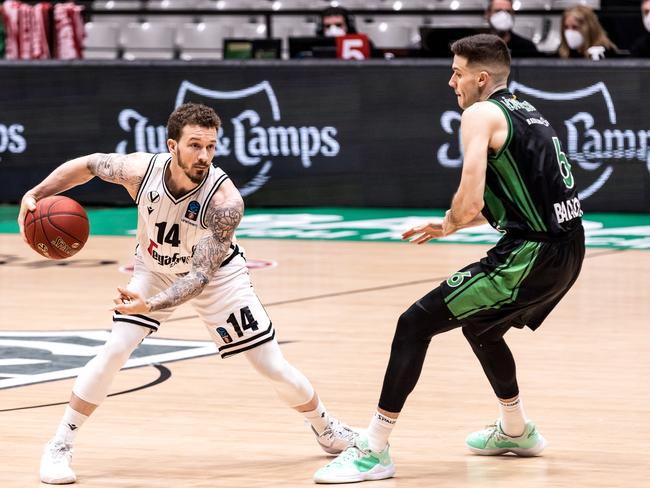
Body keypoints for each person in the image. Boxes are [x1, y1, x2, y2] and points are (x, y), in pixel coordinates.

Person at [18, 102, 358, 485]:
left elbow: (199, 277)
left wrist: (152, 305)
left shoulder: (225, 202)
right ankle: (60, 445)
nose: (204, 156)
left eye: (211, 147)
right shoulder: (139, 171)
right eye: (195, 145)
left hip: (217, 278)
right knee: (116, 348)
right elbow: (89, 165)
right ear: (171, 146)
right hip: (154, 268)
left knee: (270, 365)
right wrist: (36, 193)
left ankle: (326, 428)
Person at [313, 33, 585, 483]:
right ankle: (515, 430)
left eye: (457, 73)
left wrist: (456, 219)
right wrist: (450, 223)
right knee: (481, 325)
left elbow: (472, 201)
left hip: (531, 254)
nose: (450, 81)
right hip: (566, 247)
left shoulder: (480, 114)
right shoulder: (525, 110)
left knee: (414, 323)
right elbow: (527, 199)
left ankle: (373, 449)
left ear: (481, 78)